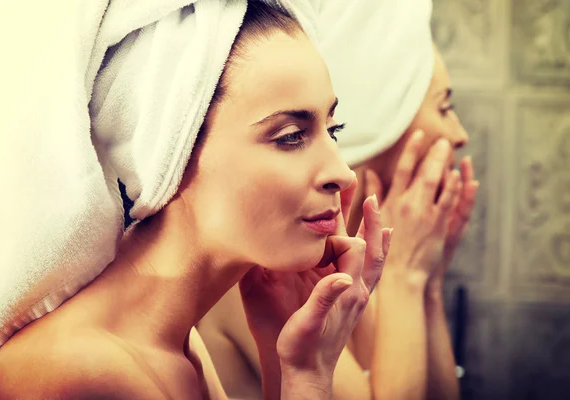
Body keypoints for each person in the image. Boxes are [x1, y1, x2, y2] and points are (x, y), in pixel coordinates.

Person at [0, 3, 400, 399]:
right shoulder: (73, 373)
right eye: (291, 136)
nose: (342, 173)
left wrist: (296, 364)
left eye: (334, 129)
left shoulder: (177, 349)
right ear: (172, 152)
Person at [197, 36, 478, 400]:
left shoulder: (343, 249)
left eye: (333, 131)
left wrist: (429, 281)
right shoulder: (269, 259)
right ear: (387, 121)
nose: (459, 135)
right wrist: (406, 276)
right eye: (443, 108)